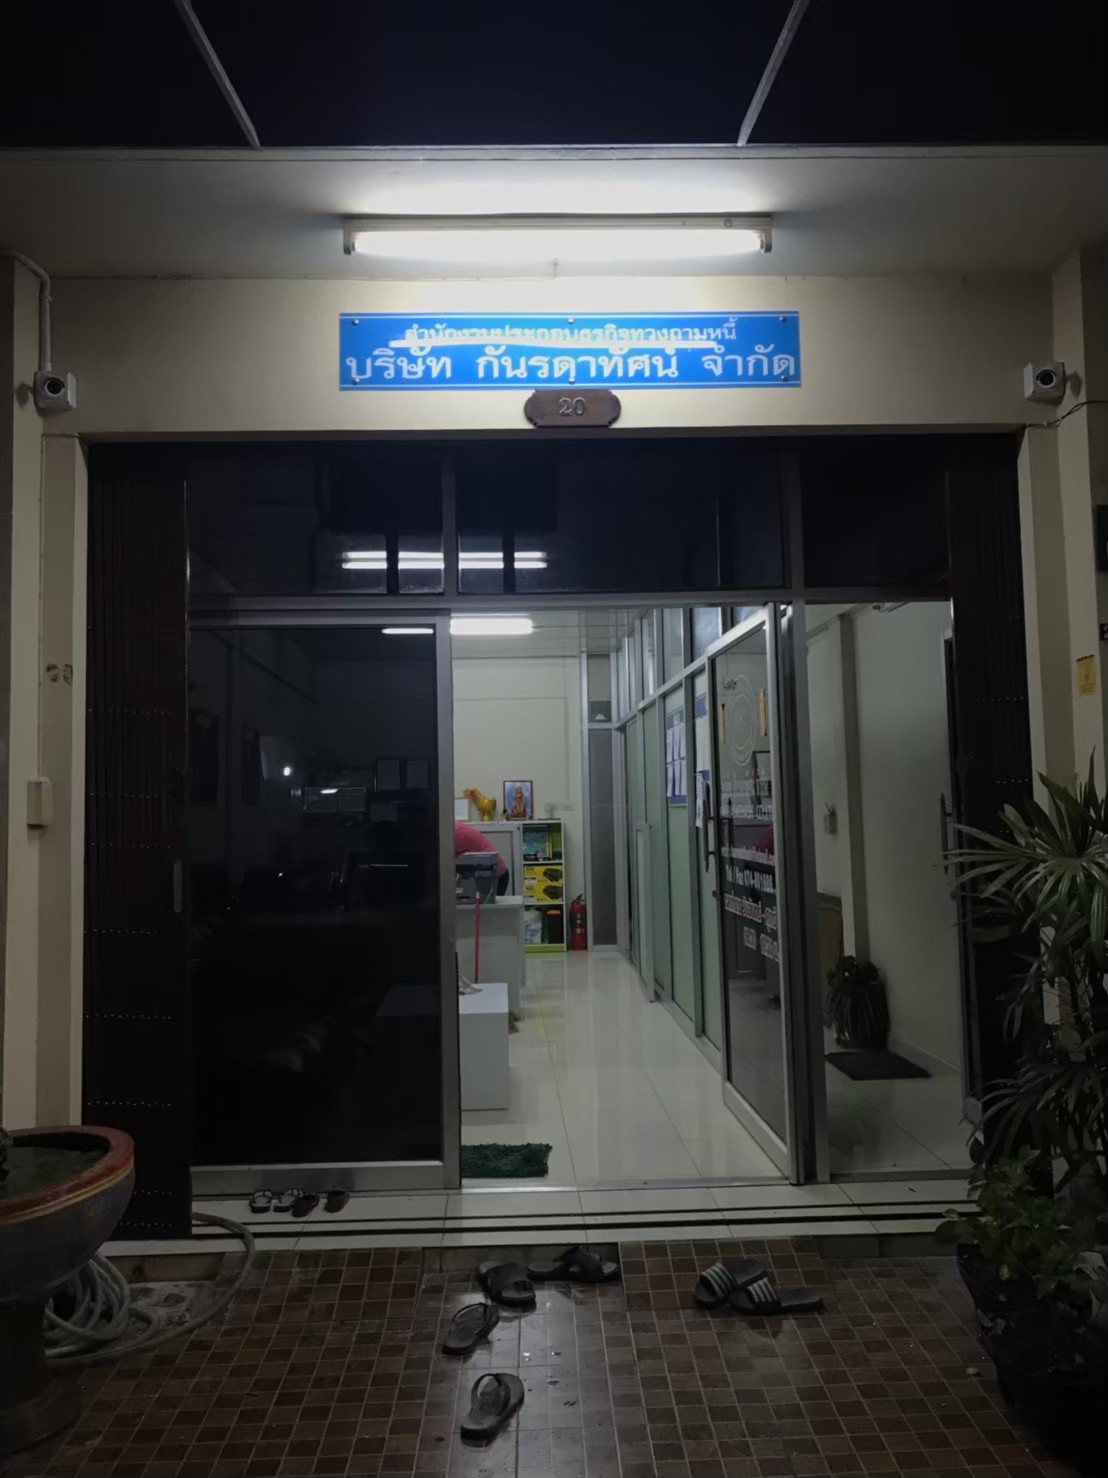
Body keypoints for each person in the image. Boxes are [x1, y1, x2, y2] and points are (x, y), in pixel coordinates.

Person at [454, 821, 510, 895]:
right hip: (488, 874)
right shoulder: (452, 828)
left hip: (492, 876)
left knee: (485, 901)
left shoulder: (449, 833)